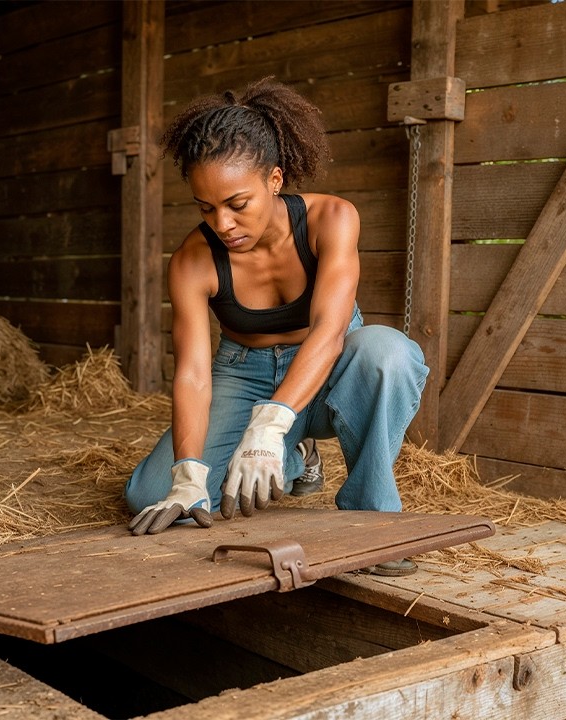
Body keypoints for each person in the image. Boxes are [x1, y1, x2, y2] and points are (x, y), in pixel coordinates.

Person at [123, 77, 428, 576]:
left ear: (275, 180)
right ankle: (294, 456)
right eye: (206, 207)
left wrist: (269, 426)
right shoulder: (191, 261)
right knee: (149, 497)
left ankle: (373, 520)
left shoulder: (333, 218)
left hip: (329, 368)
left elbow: (330, 334)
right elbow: (195, 376)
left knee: (387, 353)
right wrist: (187, 474)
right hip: (244, 373)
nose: (223, 223)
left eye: (237, 203)